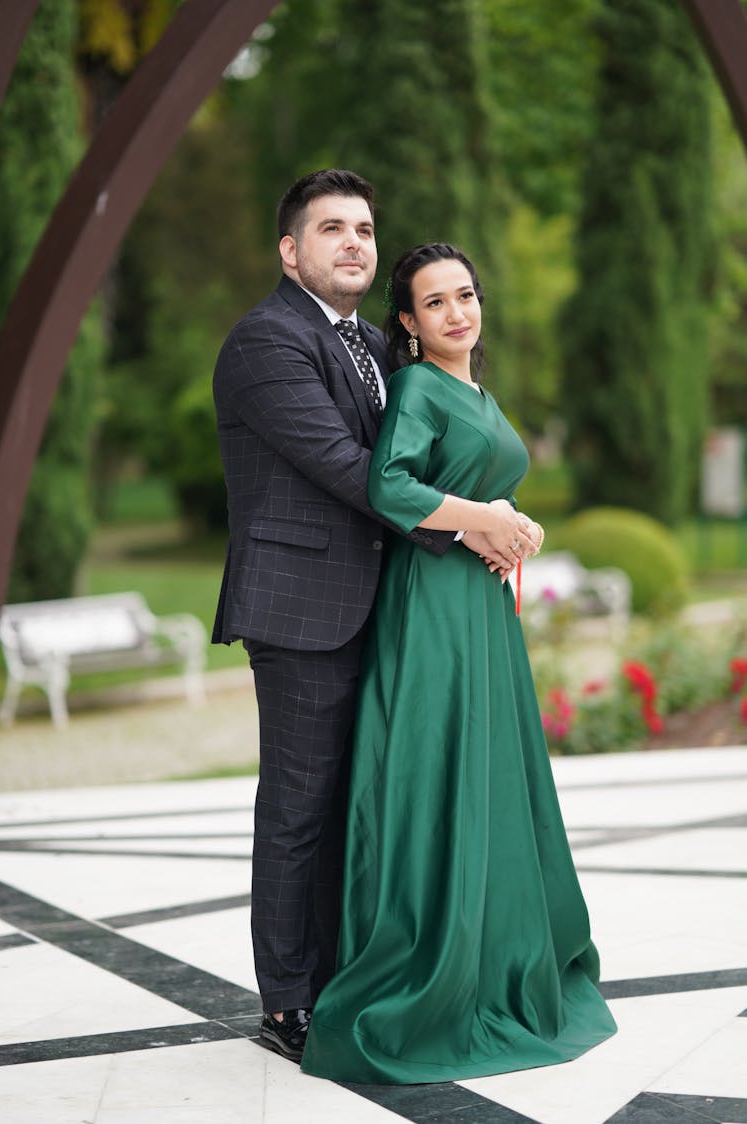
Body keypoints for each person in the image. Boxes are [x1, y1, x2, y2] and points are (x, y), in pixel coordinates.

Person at [211, 174, 531, 1063]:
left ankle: (352, 971)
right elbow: (350, 469)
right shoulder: (265, 342)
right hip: (304, 611)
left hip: (389, 611)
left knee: (363, 808)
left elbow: (423, 452)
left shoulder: (374, 351)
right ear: (290, 250)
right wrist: (479, 526)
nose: (353, 242)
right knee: (299, 812)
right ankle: (287, 1005)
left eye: (363, 229)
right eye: (331, 229)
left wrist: (487, 523)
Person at [301, 243, 618, 1084]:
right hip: (434, 602)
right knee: (443, 765)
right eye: (434, 303)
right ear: (406, 323)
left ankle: (500, 950)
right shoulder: (415, 386)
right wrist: (480, 515)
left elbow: (479, 485)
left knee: (490, 769)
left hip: (482, 606)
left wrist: (512, 521)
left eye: (466, 295)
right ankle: (431, 966)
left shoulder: (478, 389)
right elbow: (390, 486)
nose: (457, 313)